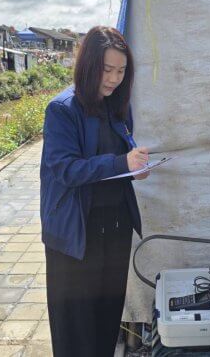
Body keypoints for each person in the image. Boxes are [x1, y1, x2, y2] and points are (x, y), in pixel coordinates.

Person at [40, 26, 148, 356]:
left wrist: (134, 168)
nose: (114, 79)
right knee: (75, 328)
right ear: (89, 65)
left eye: (121, 71)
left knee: (106, 317)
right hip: (76, 234)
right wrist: (120, 163)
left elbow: (120, 157)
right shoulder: (62, 109)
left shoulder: (117, 106)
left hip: (115, 228)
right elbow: (65, 169)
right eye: (107, 70)